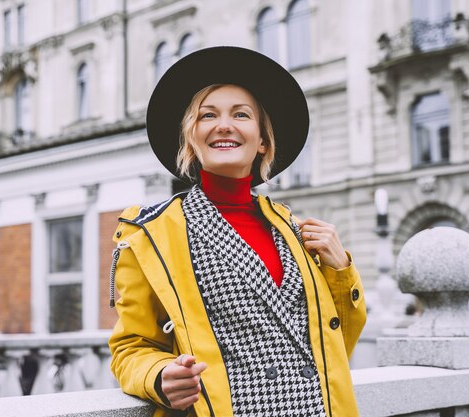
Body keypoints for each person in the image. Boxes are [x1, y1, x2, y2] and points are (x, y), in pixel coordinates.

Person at [108, 46, 366, 417]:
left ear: (262, 140)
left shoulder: (295, 230)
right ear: (191, 140)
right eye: (207, 115)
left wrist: (341, 269)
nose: (224, 125)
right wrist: (159, 374)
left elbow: (335, 344)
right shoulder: (151, 235)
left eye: (241, 114)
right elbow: (131, 347)